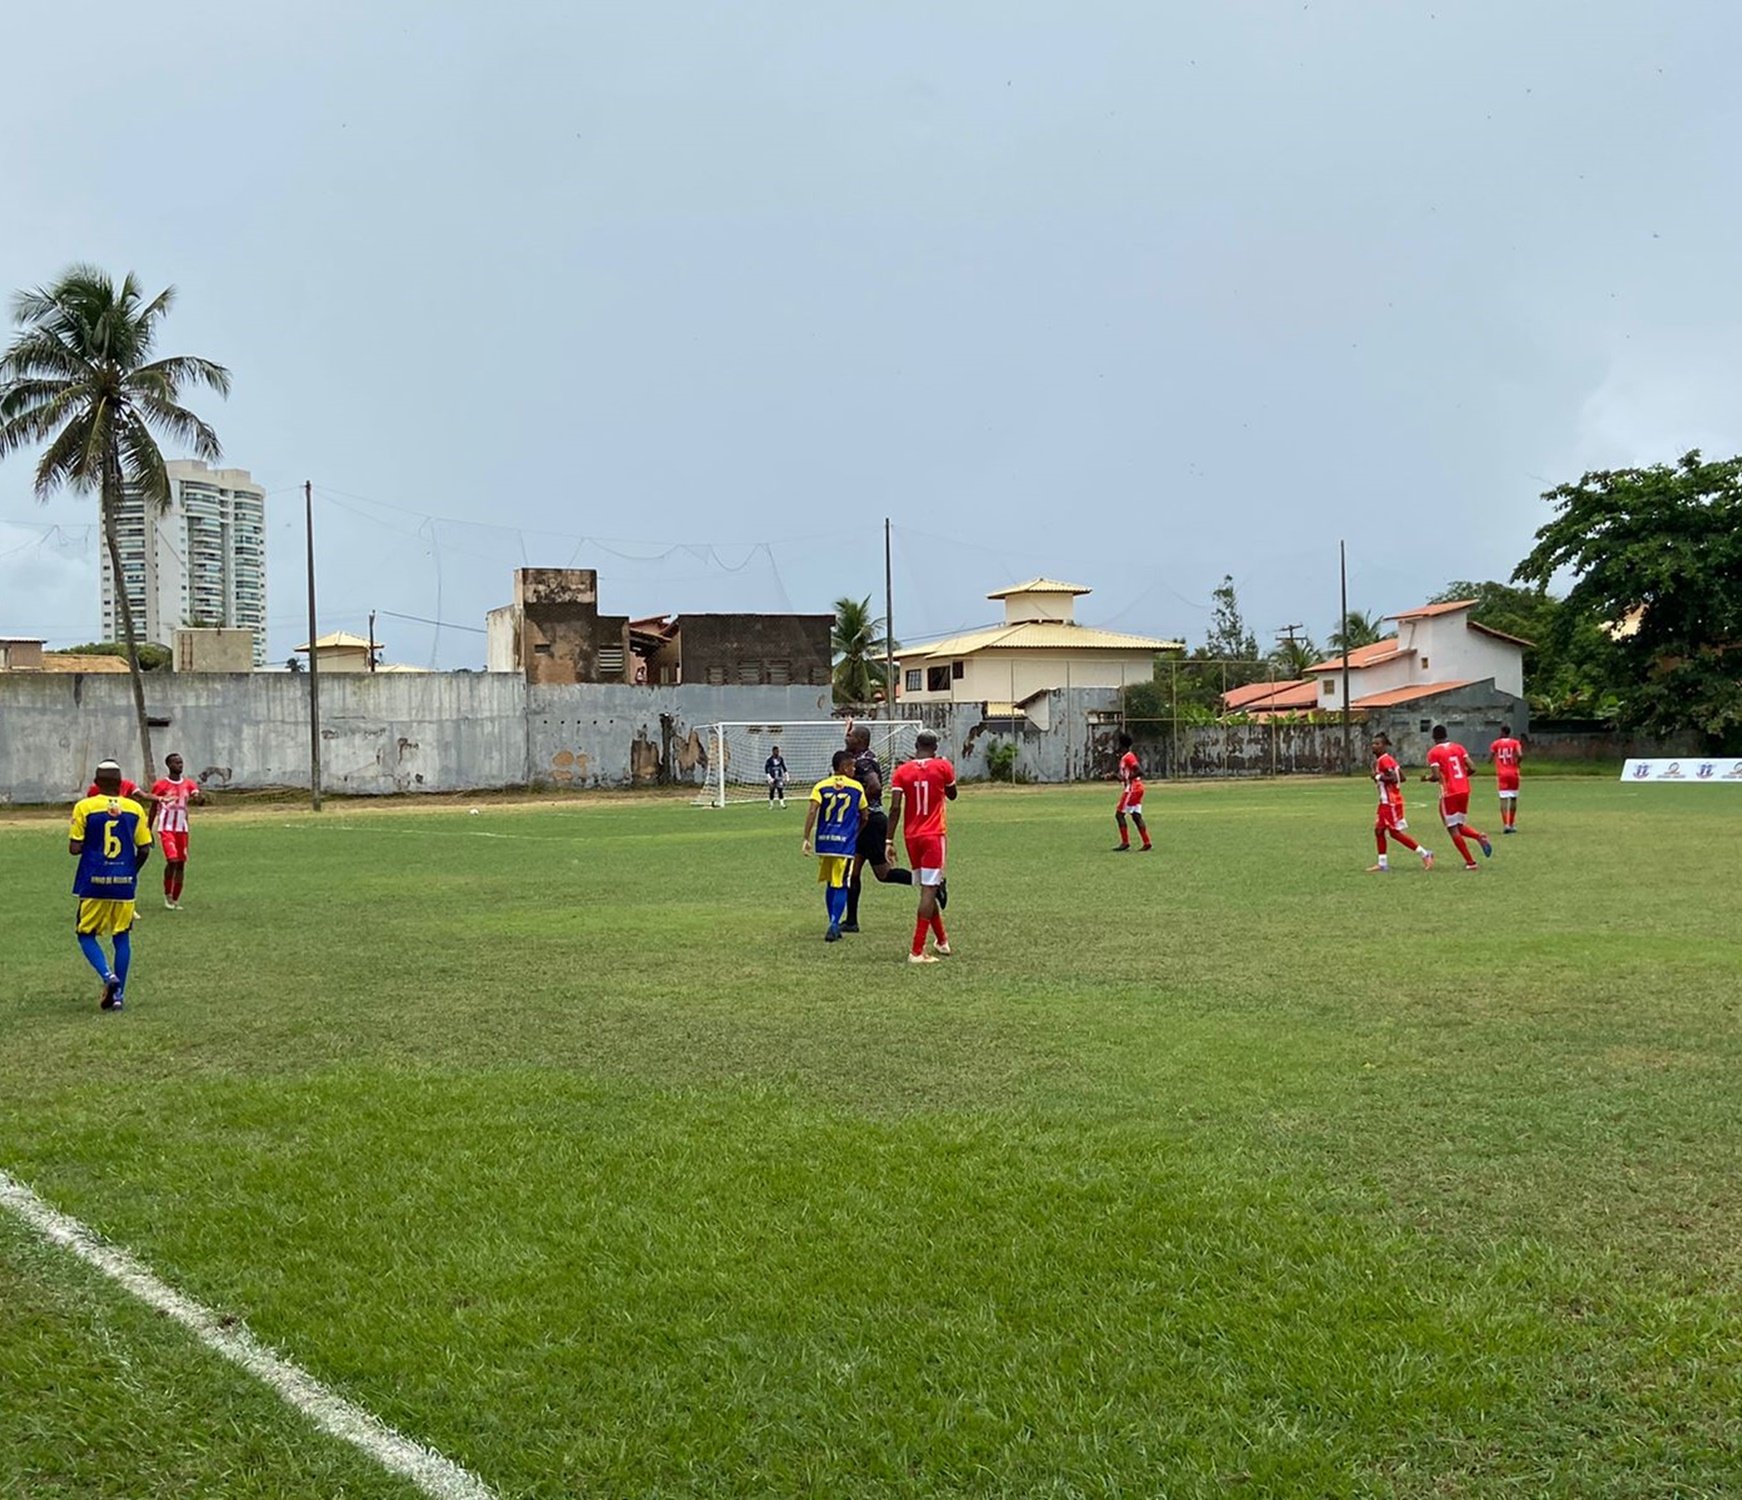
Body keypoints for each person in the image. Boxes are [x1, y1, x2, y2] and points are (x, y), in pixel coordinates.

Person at [68, 759, 153, 1010]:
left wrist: (91, 843)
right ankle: (119, 997)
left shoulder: (84, 807)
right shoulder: (135, 808)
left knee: (85, 934)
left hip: (93, 881)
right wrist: (131, 871)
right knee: (122, 936)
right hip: (124, 884)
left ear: (95, 783)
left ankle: (108, 977)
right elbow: (145, 849)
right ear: (121, 783)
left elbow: (74, 848)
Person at [887, 731, 957, 964]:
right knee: (929, 890)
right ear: (935, 747)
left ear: (916, 745)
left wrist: (888, 840)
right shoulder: (942, 766)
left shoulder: (901, 771)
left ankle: (942, 940)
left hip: (911, 837)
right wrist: (944, 769)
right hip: (934, 834)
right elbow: (952, 794)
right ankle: (917, 951)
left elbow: (895, 808)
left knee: (927, 887)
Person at [841, 720, 917, 933]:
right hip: (863, 823)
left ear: (861, 741)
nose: (847, 739)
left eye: (851, 737)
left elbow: (874, 786)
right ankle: (852, 921)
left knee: (882, 874)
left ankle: (933, 883)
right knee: (853, 873)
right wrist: (847, 732)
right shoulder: (859, 758)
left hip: (871, 822)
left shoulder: (865, 763)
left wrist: (857, 801)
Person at [801, 749, 867, 942]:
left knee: (831, 881)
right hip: (844, 844)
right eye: (852, 766)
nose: (854, 769)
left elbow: (812, 811)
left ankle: (832, 920)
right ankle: (834, 924)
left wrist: (806, 837)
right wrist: (855, 833)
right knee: (842, 882)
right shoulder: (856, 787)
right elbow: (865, 815)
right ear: (844, 767)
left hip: (824, 842)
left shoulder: (821, 786)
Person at [1425, 724, 1493, 870]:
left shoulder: (1433, 753)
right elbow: (1473, 768)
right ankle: (1478, 837)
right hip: (1464, 790)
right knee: (1459, 826)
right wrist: (1461, 778)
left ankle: (1471, 862)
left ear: (1433, 737)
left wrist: (1426, 778)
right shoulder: (1458, 747)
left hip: (1449, 792)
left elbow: (1436, 776)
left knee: (1452, 828)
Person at [1367, 732, 1433, 872]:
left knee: (1394, 833)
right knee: (1379, 831)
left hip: (1390, 802)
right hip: (1385, 802)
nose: (1374, 746)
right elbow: (1402, 777)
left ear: (1384, 746)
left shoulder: (1385, 760)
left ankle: (1425, 853)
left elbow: (1394, 778)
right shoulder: (1385, 760)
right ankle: (1382, 863)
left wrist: (1377, 776)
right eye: (1373, 743)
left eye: (1377, 744)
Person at [148, 752, 206, 909]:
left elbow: (197, 797)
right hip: (166, 828)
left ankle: (175, 898)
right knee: (172, 861)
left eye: (181, 762)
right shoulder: (161, 785)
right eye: (176, 763)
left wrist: (200, 798)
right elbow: (153, 807)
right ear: (169, 765)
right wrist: (148, 828)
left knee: (181, 864)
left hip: (182, 829)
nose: (179, 765)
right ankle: (167, 894)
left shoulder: (188, 784)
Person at [1111, 733, 1152, 852]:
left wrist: (1129, 779)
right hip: (1137, 787)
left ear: (1121, 745)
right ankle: (1147, 842)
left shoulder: (1129, 757)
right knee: (1136, 816)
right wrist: (1114, 776)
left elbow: (1140, 771)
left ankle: (1125, 842)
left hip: (1132, 788)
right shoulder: (1125, 757)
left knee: (1119, 815)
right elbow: (1125, 776)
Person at [1490, 724, 1524, 833]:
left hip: (1502, 774)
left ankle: (1506, 825)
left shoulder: (1496, 743)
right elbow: (1520, 754)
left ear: (1502, 732)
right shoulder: (1515, 743)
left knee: (1503, 798)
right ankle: (1512, 823)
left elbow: (1491, 756)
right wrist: (1517, 763)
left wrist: (1491, 760)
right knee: (1513, 798)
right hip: (1513, 773)